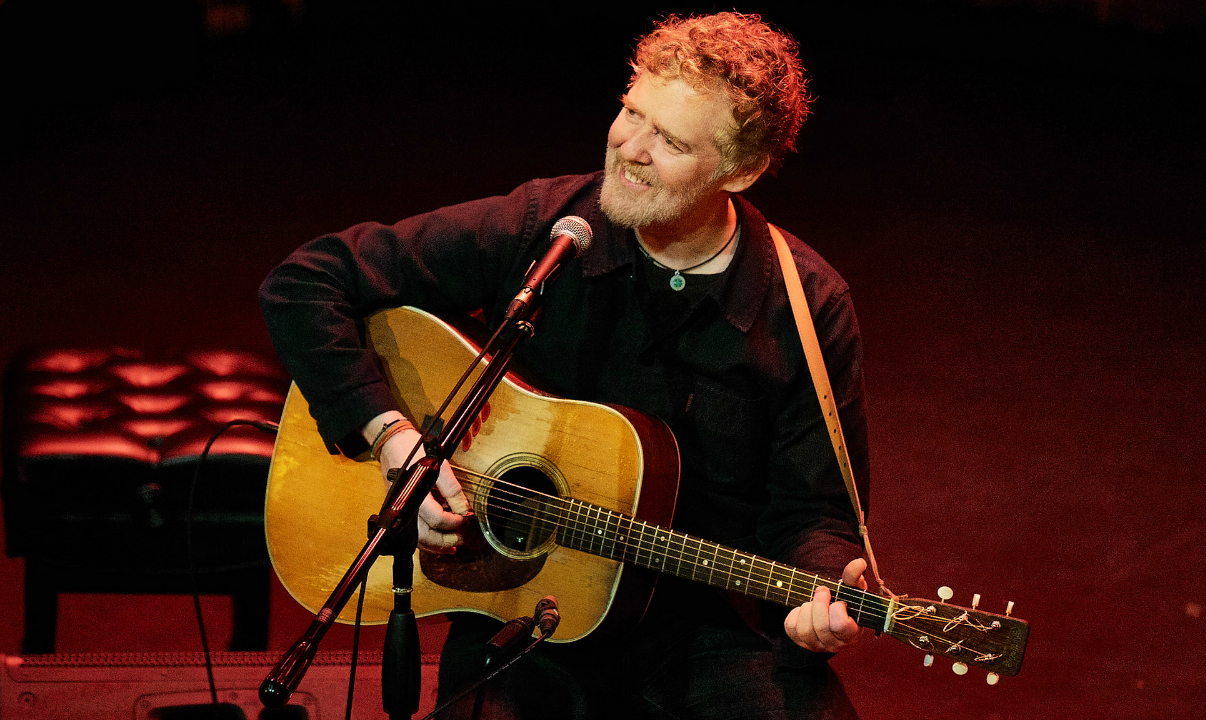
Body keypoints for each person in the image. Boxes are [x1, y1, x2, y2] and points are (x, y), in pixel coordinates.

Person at [260, 11, 871, 719]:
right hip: (522, 613)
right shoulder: (547, 228)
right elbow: (306, 282)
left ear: (741, 169)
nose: (629, 149)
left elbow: (817, 512)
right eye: (631, 112)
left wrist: (820, 599)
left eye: (669, 139)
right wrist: (396, 440)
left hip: (708, 631)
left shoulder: (806, 306)